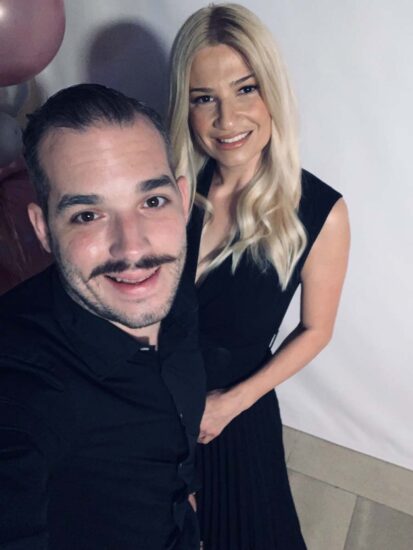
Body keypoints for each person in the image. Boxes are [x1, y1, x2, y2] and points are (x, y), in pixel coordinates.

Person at [169, 4, 350, 549]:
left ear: (272, 93)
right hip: (152, 403)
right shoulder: (169, 188)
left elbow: (317, 330)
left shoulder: (319, 212)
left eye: (245, 89)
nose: (227, 120)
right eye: (204, 98)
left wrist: (231, 403)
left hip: (231, 416)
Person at [0, 84, 206, 550]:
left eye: (151, 202)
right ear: (43, 229)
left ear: (181, 200)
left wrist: (184, 491)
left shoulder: (171, 287)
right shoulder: (21, 383)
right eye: (87, 215)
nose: (133, 249)